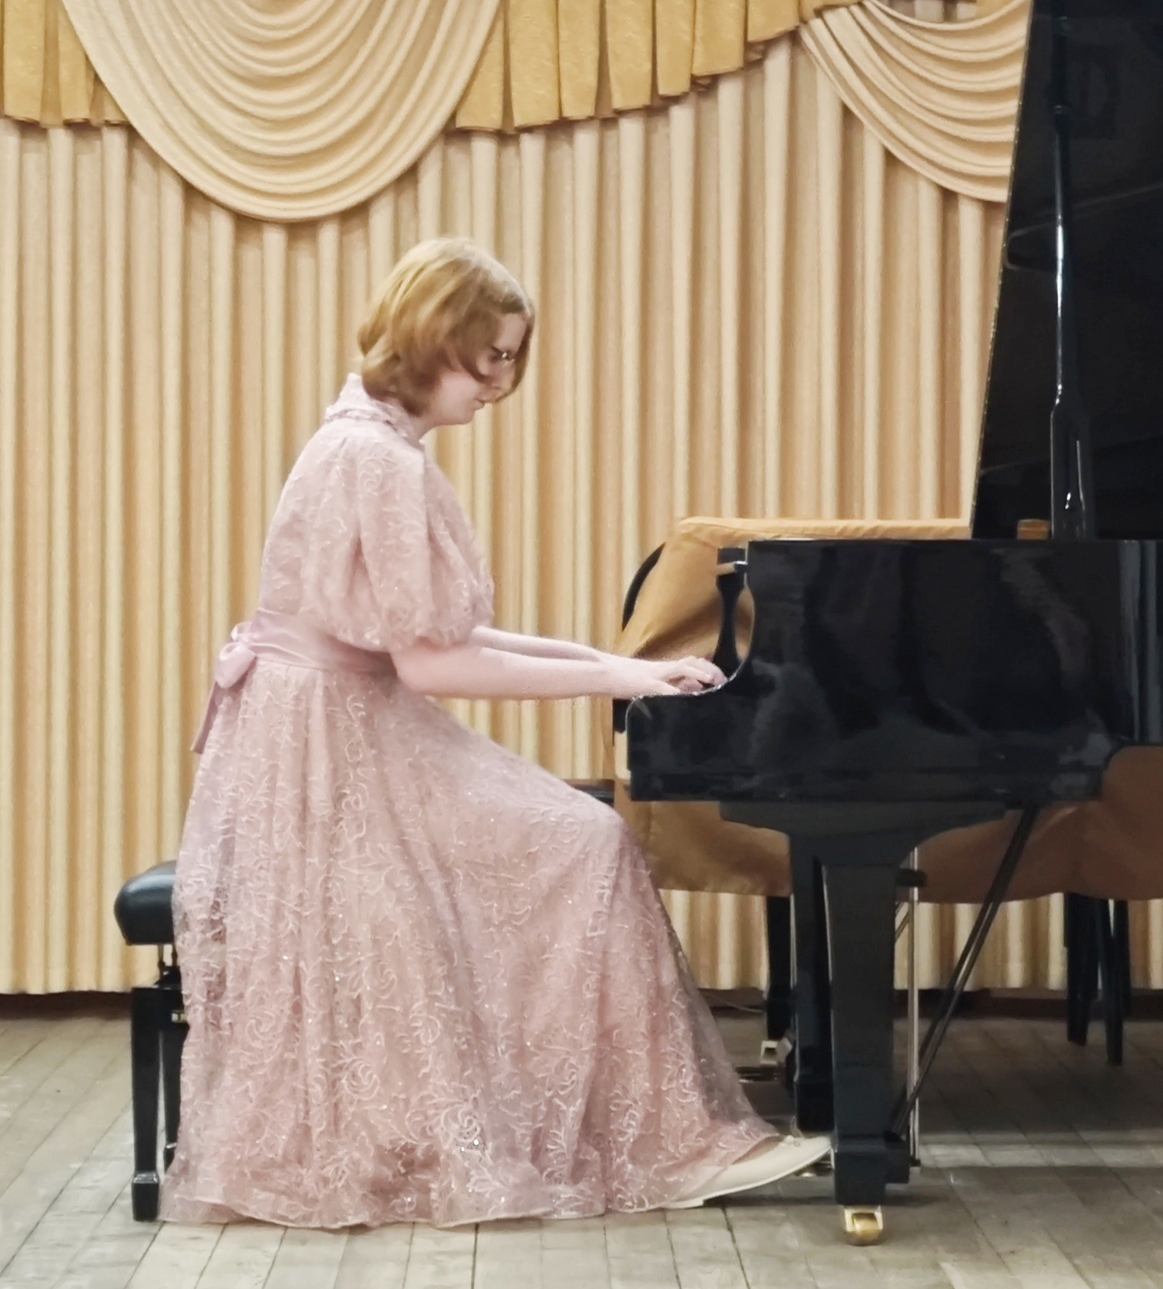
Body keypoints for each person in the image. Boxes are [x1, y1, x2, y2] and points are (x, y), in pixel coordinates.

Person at [160, 237, 830, 1228]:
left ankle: (617, 1126)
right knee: (585, 841)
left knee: (578, 839)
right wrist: (614, 674)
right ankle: (647, 1138)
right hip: (329, 741)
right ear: (436, 338)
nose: (500, 383)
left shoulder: (369, 441)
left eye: (510, 358)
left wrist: (620, 666)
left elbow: (447, 639)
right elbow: (435, 665)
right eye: (492, 356)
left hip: (340, 720)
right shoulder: (377, 459)